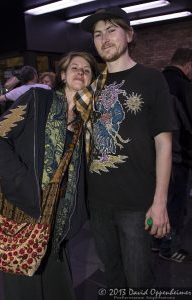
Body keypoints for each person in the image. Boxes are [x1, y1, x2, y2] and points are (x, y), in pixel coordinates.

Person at [74, 7, 176, 287]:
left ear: (129, 35)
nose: (104, 39)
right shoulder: (92, 87)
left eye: (111, 30)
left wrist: (159, 203)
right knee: (113, 276)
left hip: (136, 203)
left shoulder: (152, 79)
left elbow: (164, 144)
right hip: (97, 203)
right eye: (97, 34)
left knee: (139, 279)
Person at [0, 52, 98, 300]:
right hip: (22, 210)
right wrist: (20, 180)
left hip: (57, 217)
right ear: (63, 75)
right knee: (23, 286)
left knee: (58, 285)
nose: (80, 72)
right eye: (75, 67)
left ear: (91, 80)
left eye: (87, 69)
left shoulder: (86, 122)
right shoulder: (37, 99)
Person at [152, 48, 192, 262]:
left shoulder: (155, 83)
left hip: (155, 155)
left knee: (159, 201)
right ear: (188, 64)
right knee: (175, 205)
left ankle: (155, 242)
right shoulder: (184, 87)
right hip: (179, 156)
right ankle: (169, 247)